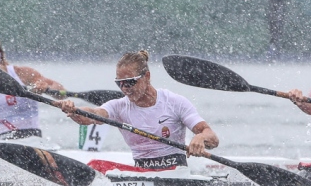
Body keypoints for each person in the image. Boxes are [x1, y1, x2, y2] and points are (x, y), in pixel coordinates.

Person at [58, 50, 219, 169]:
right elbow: (92, 115)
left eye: (129, 82)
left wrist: (200, 138)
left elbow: (212, 138)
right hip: (141, 172)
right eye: (119, 83)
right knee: (94, 165)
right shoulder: (119, 106)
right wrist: (74, 110)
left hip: (174, 171)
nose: (124, 88)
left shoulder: (174, 102)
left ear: (147, 77)